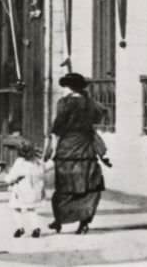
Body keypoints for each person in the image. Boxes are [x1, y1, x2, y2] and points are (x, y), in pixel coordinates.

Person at [45, 72, 105, 235]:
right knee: (88, 187)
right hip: (86, 149)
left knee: (64, 186)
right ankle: (84, 223)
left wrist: (52, 151)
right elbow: (99, 117)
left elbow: (57, 128)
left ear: (69, 88)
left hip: (67, 149)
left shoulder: (64, 103)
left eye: (64, 87)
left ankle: (59, 221)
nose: (63, 90)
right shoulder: (91, 103)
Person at [4, 139, 45, 238]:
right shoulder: (37, 162)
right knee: (31, 209)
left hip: (21, 191)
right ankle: (35, 228)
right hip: (34, 191)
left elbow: (12, 176)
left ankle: (20, 227)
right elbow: (42, 173)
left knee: (16, 208)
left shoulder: (20, 163)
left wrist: (7, 179)